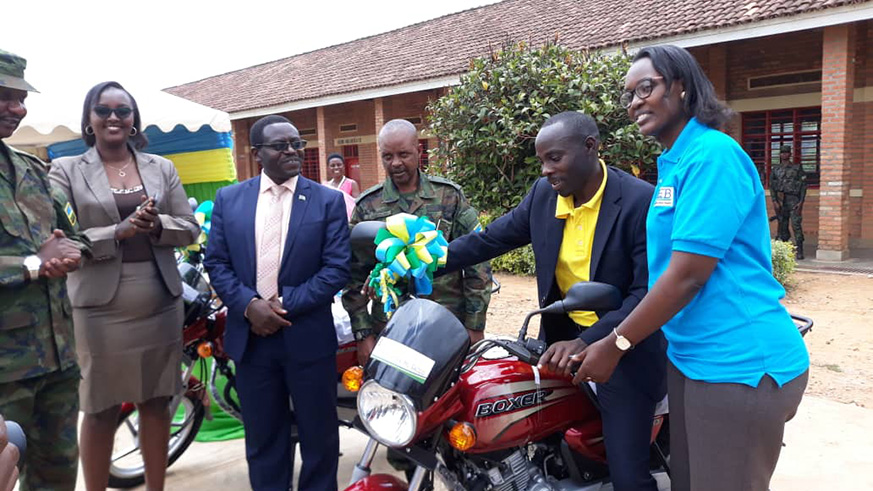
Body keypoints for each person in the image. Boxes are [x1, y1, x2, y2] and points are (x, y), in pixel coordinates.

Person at [574, 45, 809, 491]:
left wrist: (616, 342)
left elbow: (687, 275)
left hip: (738, 363)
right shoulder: (675, 162)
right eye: (628, 95)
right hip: (689, 359)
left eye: (646, 87)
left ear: (681, 86)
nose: (635, 102)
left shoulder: (712, 156)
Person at [442, 111, 666, 491]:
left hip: (622, 347)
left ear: (591, 148)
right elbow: (491, 240)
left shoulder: (639, 202)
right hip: (557, 341)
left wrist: (590, 340)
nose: (545, 169)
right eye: (542, 160)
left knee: (628, 473)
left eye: (554, 158)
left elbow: (647, 293)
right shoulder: (544, 196)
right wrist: (425, 260)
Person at [49, 81, 200, 491]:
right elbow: (59, 237)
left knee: (156, 402)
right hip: (99, 308)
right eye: (104, 110)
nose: (113, 117)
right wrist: (115, 231)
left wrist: (157, 227)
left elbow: (189, 227)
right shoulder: (65, 170)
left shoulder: (160, 168)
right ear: (89, 119)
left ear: (134, 120)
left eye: (123, 110)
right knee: (99, 407)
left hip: (158, 301)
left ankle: (156, 487)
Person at [204, 114, 350, 490]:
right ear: (257, 154)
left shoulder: (327, 201)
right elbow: (216, 263)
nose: (292, 151)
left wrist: (283, 304)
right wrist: (250, 306)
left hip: (307, 339)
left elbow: (336, 269)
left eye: (296, 144)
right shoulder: (230, 199)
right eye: (280, 145)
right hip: (252, 342)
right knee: (264, 440)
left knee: (319, 439)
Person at [0, 49, 90, 491]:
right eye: (4, 96)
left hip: (57, 360)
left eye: (20, 98)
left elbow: (75, 237)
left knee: (57, 476)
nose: (18, 108)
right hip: (4, 369)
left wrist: (72, 252)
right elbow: (41, 257)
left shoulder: (32, 171)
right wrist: (36, 263)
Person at [342, 119, 491, 366]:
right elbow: (352, 274)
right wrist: (363, 333)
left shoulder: (449, 196)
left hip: (445, 322)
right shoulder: (368, 206)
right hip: (390, 325)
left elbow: (478, 261)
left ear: (419, 151)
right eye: (387, 156)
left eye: (404, 154)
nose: (396, 163)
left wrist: (475, 324)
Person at [770, 144, 807, 259]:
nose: (784, 155)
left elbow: (803, 186)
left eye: (786, 152)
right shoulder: (776, 169)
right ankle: (785, 250)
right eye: (782, 153)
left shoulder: (797, 168)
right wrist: (775, 201)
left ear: (790, 154)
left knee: (796, 225)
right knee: (783, 226)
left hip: (794, 200)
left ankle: (800, 250)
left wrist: (801, 203)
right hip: (781, 201)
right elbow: (772, 186)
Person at [323, 152, 361, 218]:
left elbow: (356, 205)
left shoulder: (351, 183)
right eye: (332, 165)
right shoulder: (325, 186)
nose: (336, 167)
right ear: (328, 168)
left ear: (343, 166)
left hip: (347, 220)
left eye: (339, 165)